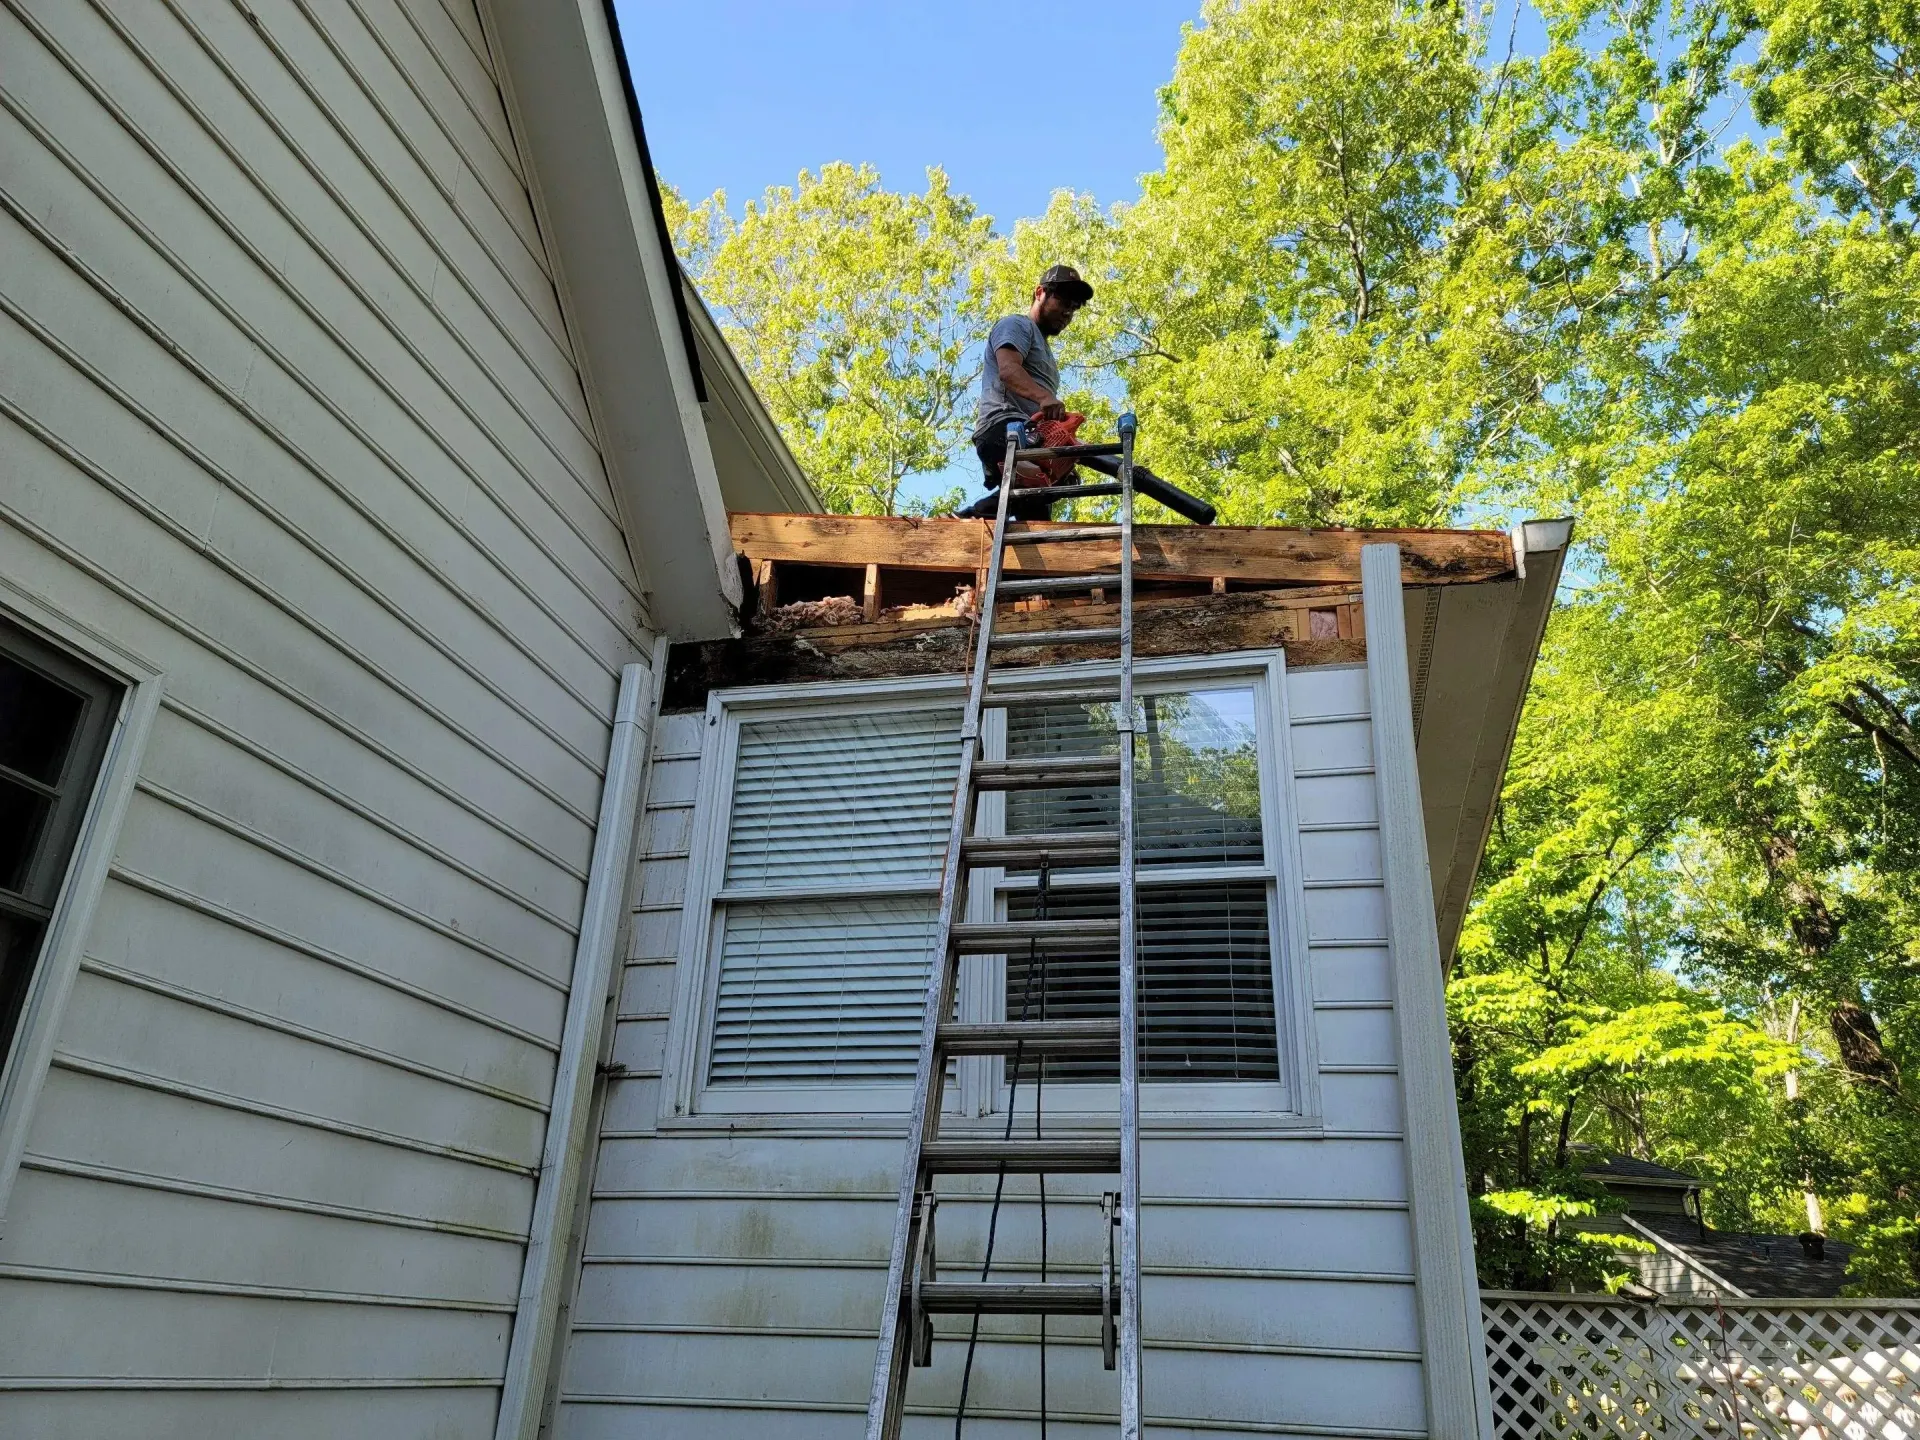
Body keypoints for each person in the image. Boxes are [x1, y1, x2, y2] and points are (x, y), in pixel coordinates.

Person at [959, 264, 1093, 520]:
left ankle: (976, 517)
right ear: (1040, 292)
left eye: (1074, 308)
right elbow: (1008, 371)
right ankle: (972, 515)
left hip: (1030, 433)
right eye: (1063, 301)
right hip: (1005, 427)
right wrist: (1044, 397)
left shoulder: (1046, 352)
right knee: (1045, 484)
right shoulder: (1018, 325)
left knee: (1038, 522)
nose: (1067, 312)